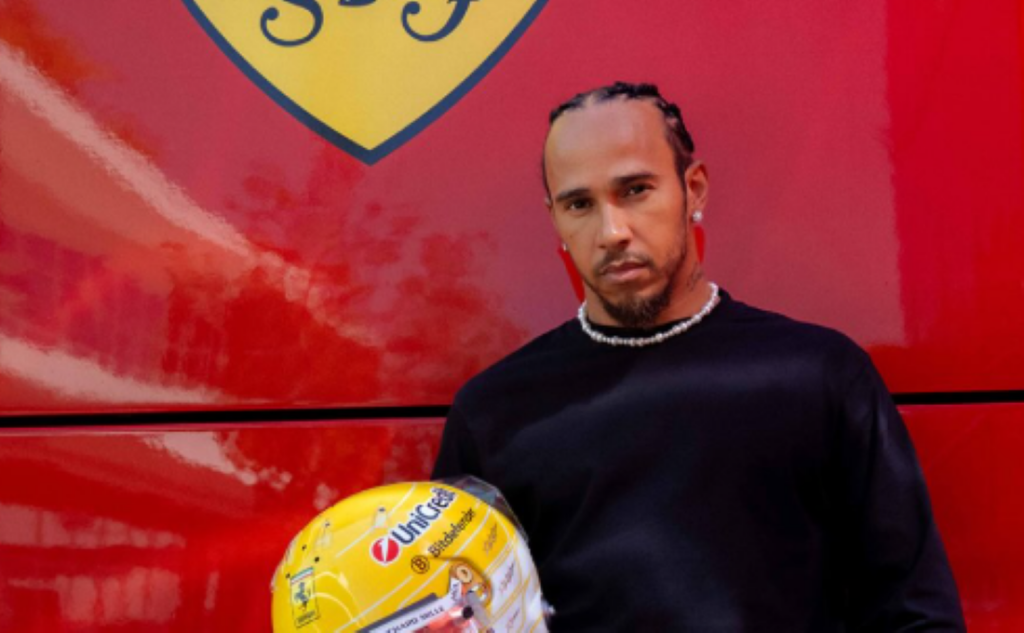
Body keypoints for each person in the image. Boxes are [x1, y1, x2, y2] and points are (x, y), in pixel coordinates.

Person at [432, 81, 965, 631]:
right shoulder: (494, 414)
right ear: (556, 220)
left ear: (695, 189)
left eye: (635, 190)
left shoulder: (818, 376)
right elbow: (446, 609)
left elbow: (918, 616)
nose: (611, 231)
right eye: (580, 204)